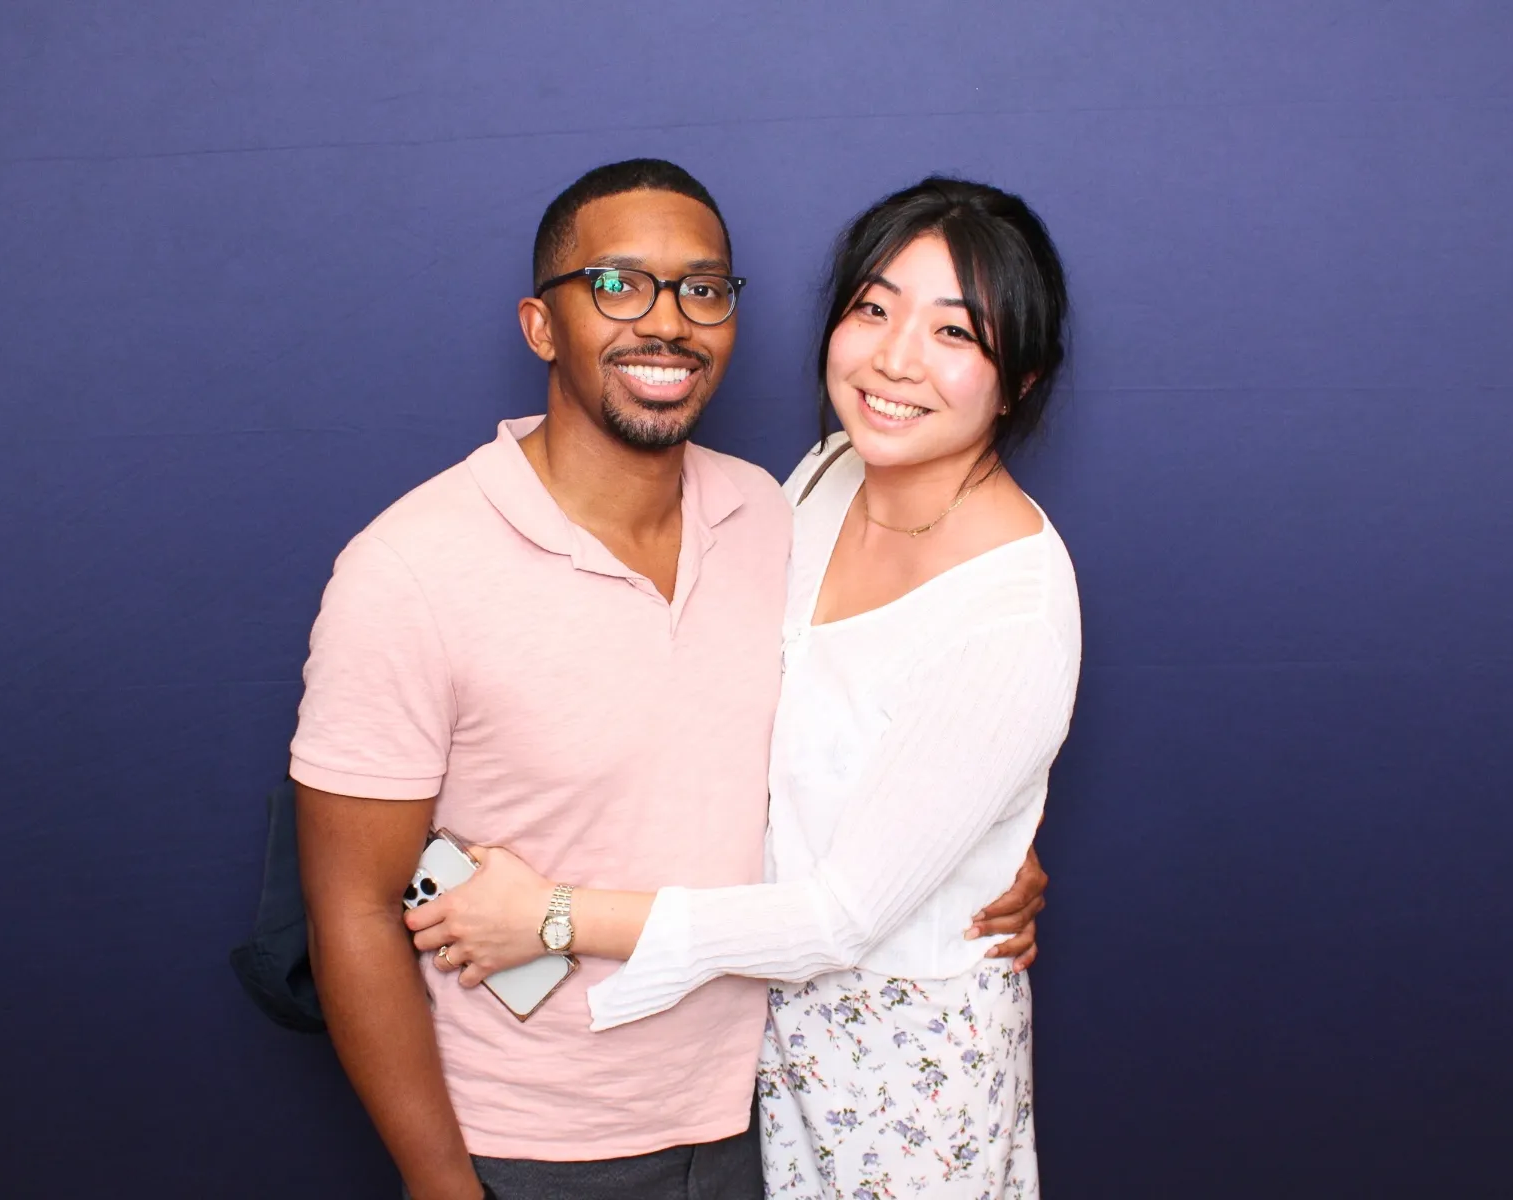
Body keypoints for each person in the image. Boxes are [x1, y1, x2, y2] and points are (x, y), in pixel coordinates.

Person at [290, 159, 1049, 1200]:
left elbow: (864, 722)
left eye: (702, 288)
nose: (667, 321)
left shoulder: (764, 511)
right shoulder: (410, 569)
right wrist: (438, 1180)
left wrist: (975, 843)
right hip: (534, 1144)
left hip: (756, 1118)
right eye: (616, 285)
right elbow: (351, 911)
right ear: (540, 324)